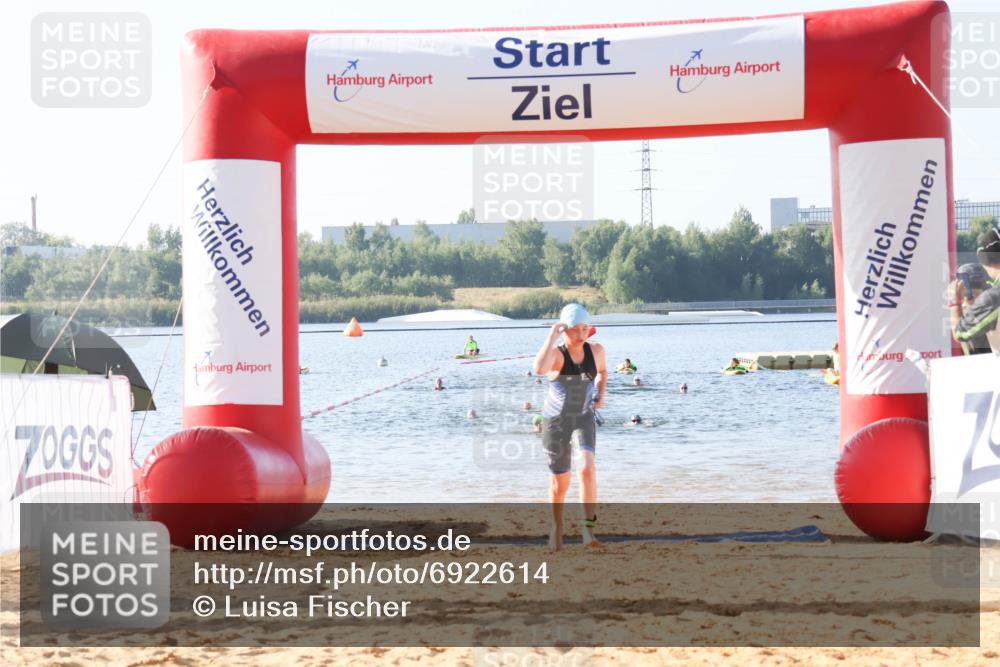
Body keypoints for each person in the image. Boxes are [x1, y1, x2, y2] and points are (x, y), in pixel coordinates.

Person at [533, 303, 607, 550]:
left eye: (586, 328)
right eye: (577, 328)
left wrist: (601, 394)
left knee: (586, 468)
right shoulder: (557, 355)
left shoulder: (596, 351)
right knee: (560, 483)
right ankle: (556, 526)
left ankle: (588, 531)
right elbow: (539, 369)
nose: (583, 333)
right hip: (555, 424)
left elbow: (603, 372)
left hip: (583, 418)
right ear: (565, 329)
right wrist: (550, 336)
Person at [950, 249, 999, 355]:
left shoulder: (989, 308)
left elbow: (959, 334)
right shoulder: (962, 311)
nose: (971, 296)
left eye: (976, 293)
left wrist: (954, 304)